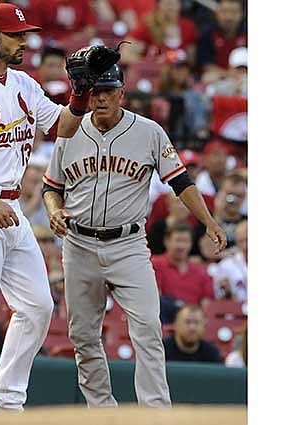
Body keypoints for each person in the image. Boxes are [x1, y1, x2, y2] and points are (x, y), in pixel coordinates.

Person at [0, 2, 96, 413]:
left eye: (24, 34)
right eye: (15, 35)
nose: (24, 41)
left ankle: (5, 401)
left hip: (10, 208)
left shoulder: (24, 84)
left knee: (38, 306)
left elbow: (62, 127)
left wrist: (80, 94)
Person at [42, 63, 226, 406]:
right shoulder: (71, 131)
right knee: (82, 336)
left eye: (108, 91)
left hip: (128, 245)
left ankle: (155, 412)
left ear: (121, 93)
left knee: (147, 328)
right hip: (79, 243)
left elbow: (181, 182)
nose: (101, 98)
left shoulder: (149, 132)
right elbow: (51, 187)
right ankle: (101, 410)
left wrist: (210, 222)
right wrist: (54, 210)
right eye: (95, 91)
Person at [151, 222, 214, 324]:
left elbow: (206, 303)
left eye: (185, 241)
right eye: (177, 241)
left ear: (191, 244)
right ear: (166, 241)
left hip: (193, 323)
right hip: (164, 321)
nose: (181, 246)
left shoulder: (200, 272)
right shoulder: (155, 264)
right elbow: (154, 299)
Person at [122, 0, 197, 65]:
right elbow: (125, 54)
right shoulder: (148, 25)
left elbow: (191, 60)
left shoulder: (188, 27)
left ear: (180, 5)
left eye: (173, 3)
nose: (170, 6)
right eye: (167, 3)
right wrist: (148, 64)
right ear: (158, 5)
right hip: (154, 74)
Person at [197, 0, 246, 85]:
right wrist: (229, 75)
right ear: (217, 12)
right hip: (219, 77)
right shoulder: (207, 34)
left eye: (234, 12)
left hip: (244, 77)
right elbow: (206, 66)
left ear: (242, 14)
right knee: (208, 77)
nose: (229, 17)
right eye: (225, 11)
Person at [208, 220, 247, 302]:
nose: (245, 246)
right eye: (241, 241)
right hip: (235, 311)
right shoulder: (226, 265)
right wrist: (227, 291)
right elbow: (218, 298)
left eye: (247, 240)